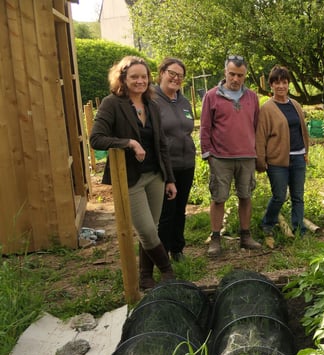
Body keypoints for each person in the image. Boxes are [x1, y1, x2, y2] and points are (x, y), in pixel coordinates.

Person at [90, 55, 177, 291]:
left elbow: (161, 145)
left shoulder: (152, 105)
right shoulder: (112, 104)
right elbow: (96, 138)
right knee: (147, 230)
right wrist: (129, 142)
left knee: (152, 228)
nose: (140, 81)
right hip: (130, 178)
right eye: (134, 77)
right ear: (123, 79)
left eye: (144, 77)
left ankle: (146, 276)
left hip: (155, 176)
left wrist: (169, 178)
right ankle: (169, 272)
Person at [200, 54, 262, 257]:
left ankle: (245, 236)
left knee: (246, 196)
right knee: (219, 198)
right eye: (232, 74)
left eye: (240, 75)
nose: (236, 79)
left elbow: (255, 125)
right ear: (225, 72)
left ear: (245, 76)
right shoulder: (212, 96)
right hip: (220, 157)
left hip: (246, 156)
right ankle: (216, 238)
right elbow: (205, 128)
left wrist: (254, 151)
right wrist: (208, 155)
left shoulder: (252, 97)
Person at [255, 65, 310, 248]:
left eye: (284, 82)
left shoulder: (295, 105)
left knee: (298, 196)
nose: (281, 86)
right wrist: (261, 161)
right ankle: (267, 223)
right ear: (271, 85)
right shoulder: (267, 109)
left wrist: (306, 152)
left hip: (298, 157)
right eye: (277, 83)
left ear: (288, 84)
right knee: (279, 195)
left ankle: (299, 228)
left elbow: (303, 131)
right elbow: (261, 136)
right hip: (277, 160)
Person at [154, 58, 196, 263]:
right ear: (162, 72)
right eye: (172, 73)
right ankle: (162, 254)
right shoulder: (152, 100)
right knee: (166, 212)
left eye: (180, 75)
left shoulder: (184, 101)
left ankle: (178, 249)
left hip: (186, 163)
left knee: (180, 209)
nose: (176, 78)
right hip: (164, 165)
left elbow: (187, 129)